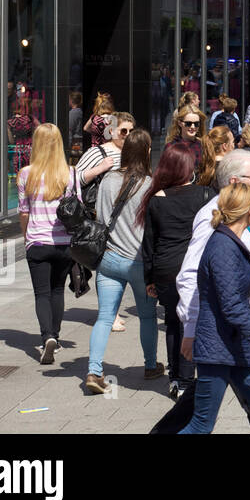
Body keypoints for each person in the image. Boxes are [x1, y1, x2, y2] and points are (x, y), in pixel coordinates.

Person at [179, 183, 250, 434]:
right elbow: (233, 308)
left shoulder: (231, 241)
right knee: (201, 424)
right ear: (249, 210)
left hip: (235, 348)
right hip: (218, 349)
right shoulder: (223, 247)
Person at [85, 128, 161, 395]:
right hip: (138, 262)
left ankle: (94, 370)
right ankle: (151, 365)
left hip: (108, 259)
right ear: (148, 152)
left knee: (104, 317)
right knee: (148, 316)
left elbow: (99, 217)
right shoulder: (151, 185)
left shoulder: (107, 180)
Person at [142, 143, 215, 399]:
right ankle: (185, 380)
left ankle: (174, 376)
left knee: (173, 322)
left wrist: (148, 278)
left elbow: (148, 243)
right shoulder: (206, 195)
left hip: (165, 268)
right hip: (194, 267)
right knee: (190, 321)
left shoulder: (156, 200)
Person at [16, 122, 73, 360]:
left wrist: (26, 234)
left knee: (42, 293)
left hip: (38, 242)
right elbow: (73, 210)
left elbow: (23, 212)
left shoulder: (26, 174)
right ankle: (56, 338)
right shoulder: (69, 173)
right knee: (58, 290)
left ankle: (47, 336)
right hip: (64, 243)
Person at [165, 107, 205, 176]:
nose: (193, 127)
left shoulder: (204, 145)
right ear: (180, 123)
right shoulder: (171, 147)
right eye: (188, 123)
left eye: (196, 124)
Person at [67, 91, 84, 159]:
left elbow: (70, 129)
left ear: (71, 100)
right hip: (79, 142)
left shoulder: (73, 113)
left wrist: (68, 145)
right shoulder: (80, 111)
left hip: (75, 144)